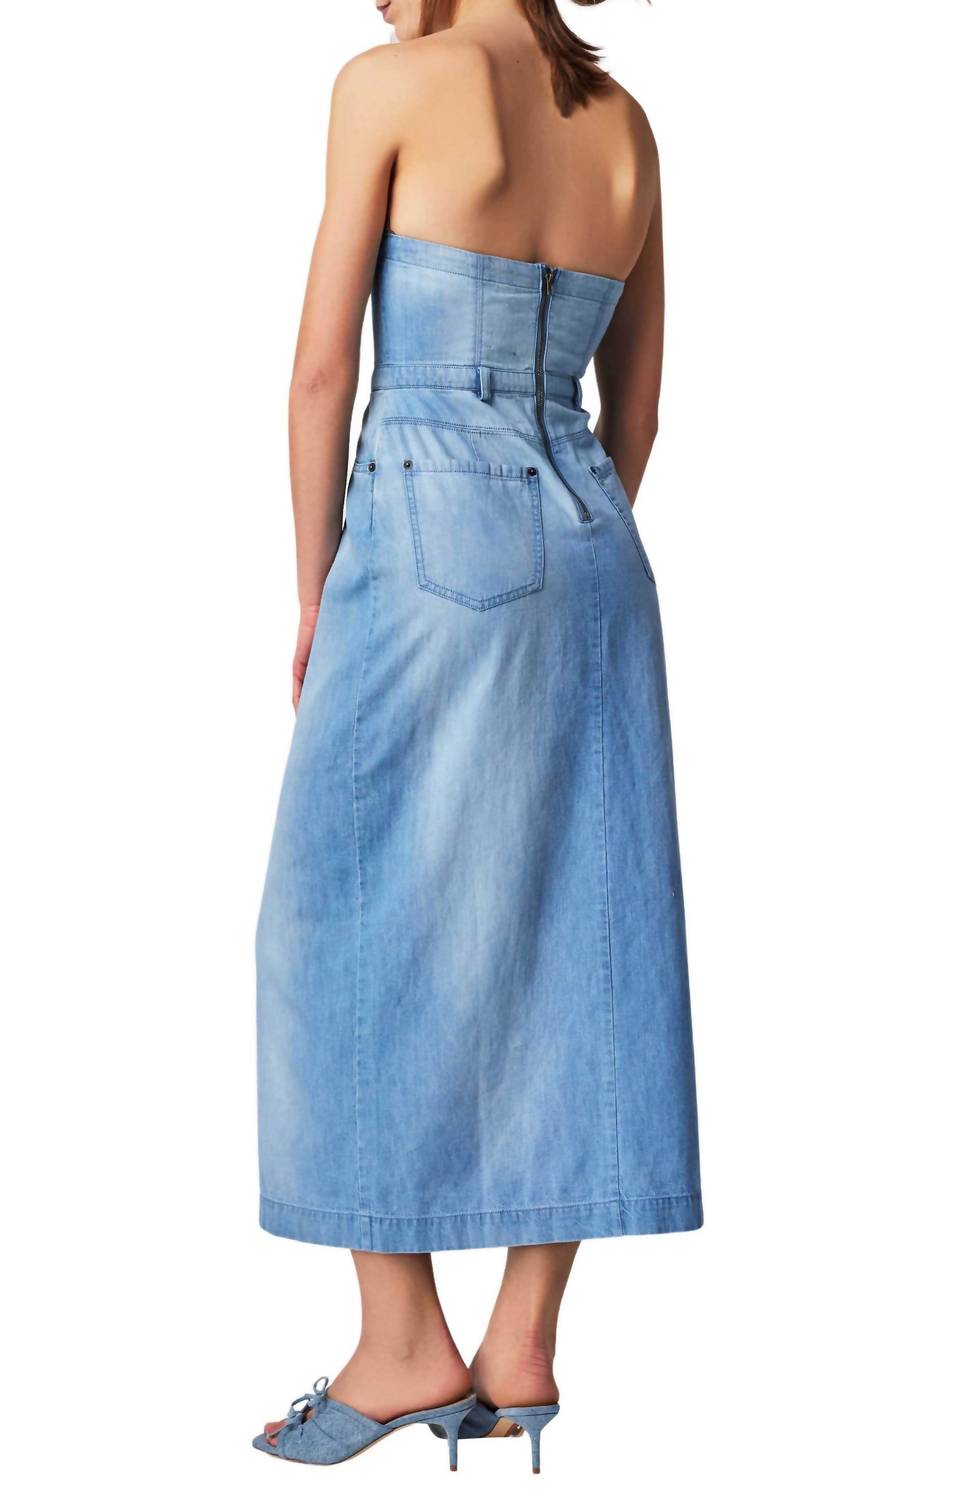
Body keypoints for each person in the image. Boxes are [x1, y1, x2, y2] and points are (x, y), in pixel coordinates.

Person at [253, 0, 701, 1472]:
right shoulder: (625, 127)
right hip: (594, 543)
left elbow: (323, 373)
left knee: (335, 920)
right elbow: (638, 406)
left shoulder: (398, 82)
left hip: (427, 529)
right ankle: (521, 1342)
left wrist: (317, 593)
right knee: (573, 918)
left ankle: (401, 1348)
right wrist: (565, 528)